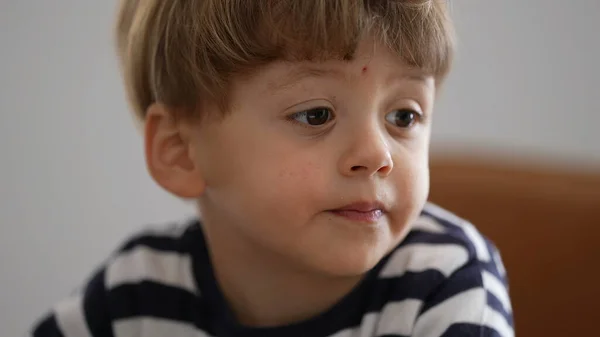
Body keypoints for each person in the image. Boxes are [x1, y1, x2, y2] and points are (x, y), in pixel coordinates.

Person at [31, 0, 514, 336]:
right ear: (181, 151)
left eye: (403, 116)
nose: (377, 154)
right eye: (316, 115)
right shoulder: (136, 294)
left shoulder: (445, 286)